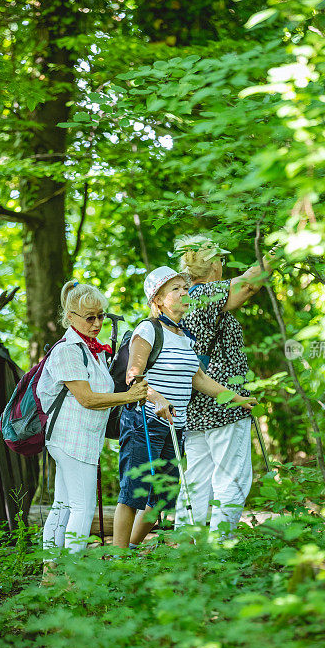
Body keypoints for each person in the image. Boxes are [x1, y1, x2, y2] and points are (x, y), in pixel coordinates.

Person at [112, 266, 257, 549]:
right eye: (175, 289)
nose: (183, 292)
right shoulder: (148, 329)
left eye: (184, 287)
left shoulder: (185, 334)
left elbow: (199, 378)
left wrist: (236, 398)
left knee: (162, 498)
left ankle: (128, 549)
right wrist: (157, 398)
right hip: (145, 422)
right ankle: (116, 560)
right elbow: (134, 376)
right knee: (134, 492)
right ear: (158, 300)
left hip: (175, 427)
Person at [37, 280, 148, 559]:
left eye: (101, 315)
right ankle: (72, 577)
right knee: (82, 508)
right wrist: (129, 396)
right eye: (90, 317)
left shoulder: (91, 351)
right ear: (71, 317)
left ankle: (51, 572)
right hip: (70, 440)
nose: (97, 323)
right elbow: (86, 398)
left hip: (82, 439)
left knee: (63, 505)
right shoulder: (67, 350)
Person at [173, 235, 266, 534]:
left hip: (196, 404)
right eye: (221, 260)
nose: (223, 266)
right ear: (213, 264)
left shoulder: (185, 299)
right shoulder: (205, 294)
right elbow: (250, 283)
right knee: (232, 477)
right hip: (222, 402)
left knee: (197, 478)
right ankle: (220, 549)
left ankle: (186, 548)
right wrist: (280, 250)